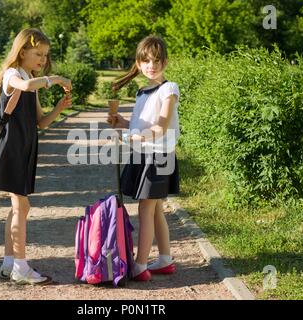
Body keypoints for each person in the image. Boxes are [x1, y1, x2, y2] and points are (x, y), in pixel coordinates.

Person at [0, 28, 72, 285]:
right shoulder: (13, 75)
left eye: (46, 55)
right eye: (38, 53)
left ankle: (8, 263)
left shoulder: (30, 78)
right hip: (11, 148)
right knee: (21, 206)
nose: (43, 59)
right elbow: (23, 86)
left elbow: (41, 122)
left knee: (18, 208)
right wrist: (54, 79)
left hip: (24, 148)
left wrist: (59, 107)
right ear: (22, 51)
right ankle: (20, 267)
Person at [107, 35, 180, 281]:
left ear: (165, 62)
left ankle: (140, 265)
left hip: (158, 156)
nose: (152, 65)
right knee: (156, 207)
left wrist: (131, 138)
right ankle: (165, 259)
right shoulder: (142, 92)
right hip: (144, 154)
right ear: (138, 63)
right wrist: (123, 123)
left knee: (146, 208)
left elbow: (160, 128)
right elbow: (140, 124)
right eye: (146, 60)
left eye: (157, 60)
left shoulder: (169, 89)